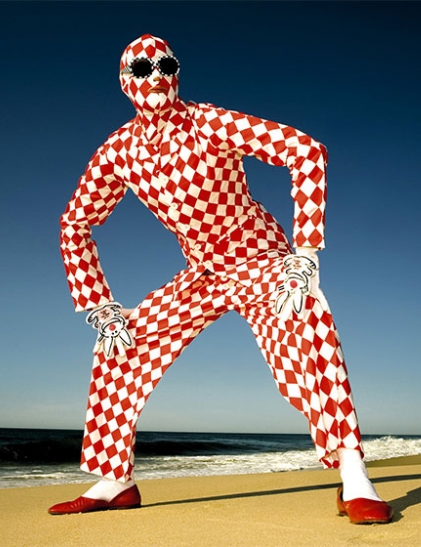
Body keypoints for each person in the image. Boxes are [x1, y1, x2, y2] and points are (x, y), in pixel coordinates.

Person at [48, 34, 393, 524]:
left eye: (166, 65)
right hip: (203, 273)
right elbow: (74, 222)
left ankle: (354, 473)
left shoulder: (210, 121)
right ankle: (115, 480)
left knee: (308, 326)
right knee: (120, 345)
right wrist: (99, 305)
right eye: (143, 69)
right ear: (125, 82)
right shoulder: (118, 152)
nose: (157, 77)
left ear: (177, 71)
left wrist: (304, 255)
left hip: (259, 257)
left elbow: (306, 151)